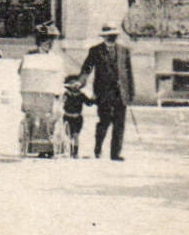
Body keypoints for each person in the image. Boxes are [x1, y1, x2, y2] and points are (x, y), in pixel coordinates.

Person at [78, 22, 134, 161]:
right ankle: (98, 148)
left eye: (114, 35)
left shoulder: (124, 50)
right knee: (104, 122)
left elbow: (128, 72)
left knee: (119, 124)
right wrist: (80, 82)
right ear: (104, 37)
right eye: (108, 36)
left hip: (120, 93)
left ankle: (115, 154)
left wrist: (131, 92)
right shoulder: (95, 51)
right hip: (103, 93)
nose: (111, 38)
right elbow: (87, 68)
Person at [17, 22, 65, 158]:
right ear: (40, 42)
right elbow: (22, 72)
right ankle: (33, 145)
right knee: (34, 117)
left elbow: (60, 75)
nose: (49, 44)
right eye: (46, 41)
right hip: (33, 93)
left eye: (51, 42)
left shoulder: (55, 58)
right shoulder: (30, 56)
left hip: (49, 93)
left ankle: (49, 146)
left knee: (51, 117)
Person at [62, 75, 95, 160]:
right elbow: (61, 102)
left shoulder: (81, 95)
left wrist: (94, 98)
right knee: (69, 135)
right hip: (67, 116)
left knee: (76, 135)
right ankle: (70, 151)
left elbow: (89, 103)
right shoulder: (66, 94)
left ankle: (75, 152)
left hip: (77, 117)